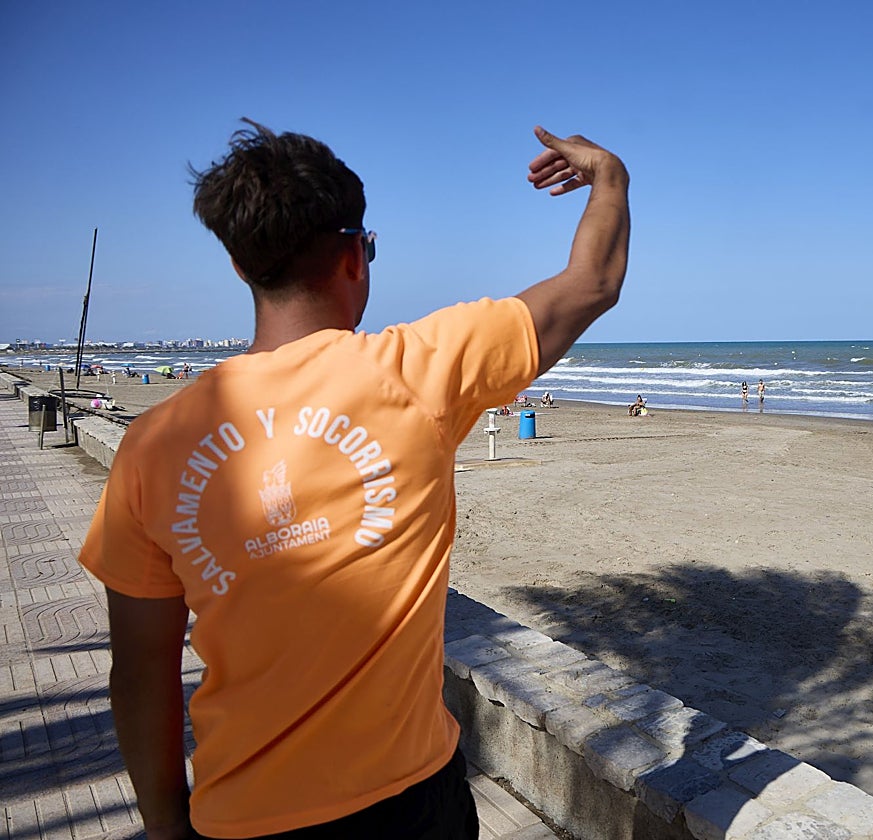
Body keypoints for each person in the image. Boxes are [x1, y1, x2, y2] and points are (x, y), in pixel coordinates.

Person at [77, 120, 630, 840]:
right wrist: (608, 177)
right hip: (411, 803)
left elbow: (141, 673)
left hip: (241, 816)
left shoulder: (152, 445)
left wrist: (165, 828)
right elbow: (590, 284)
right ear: (355, 255)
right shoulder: (418, 369)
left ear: (242, 267)